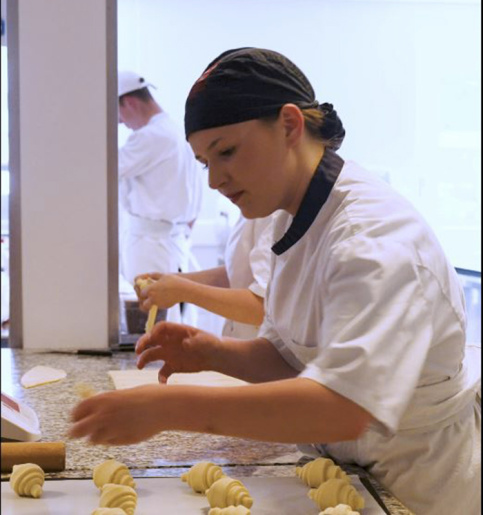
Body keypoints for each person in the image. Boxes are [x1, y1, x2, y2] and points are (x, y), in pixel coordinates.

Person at [70, 48, 481, 514]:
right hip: (345, 470)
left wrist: (166, 409)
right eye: (205, 162)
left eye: (226, 151)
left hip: (413, 484)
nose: (215, 181)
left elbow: (342, 404)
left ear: (289, 125)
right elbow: (301, 358)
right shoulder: (290, 217)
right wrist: (212, 353)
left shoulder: (374, 239)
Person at [117, 70, 203, 322]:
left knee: (151, 317)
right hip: (172, 240)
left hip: (150, 243)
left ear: (130, 102)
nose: (121, 122)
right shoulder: (175, 130)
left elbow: (103, 169)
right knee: (170, 315)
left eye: (119, 114)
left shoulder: (149, 137)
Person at [135, 212, 277, 340]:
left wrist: (183, 290)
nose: (214, 185)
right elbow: (242, 275)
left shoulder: (275, 216)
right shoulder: (257, 212)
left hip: (269, 358)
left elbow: (264, 308)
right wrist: (176, 282)